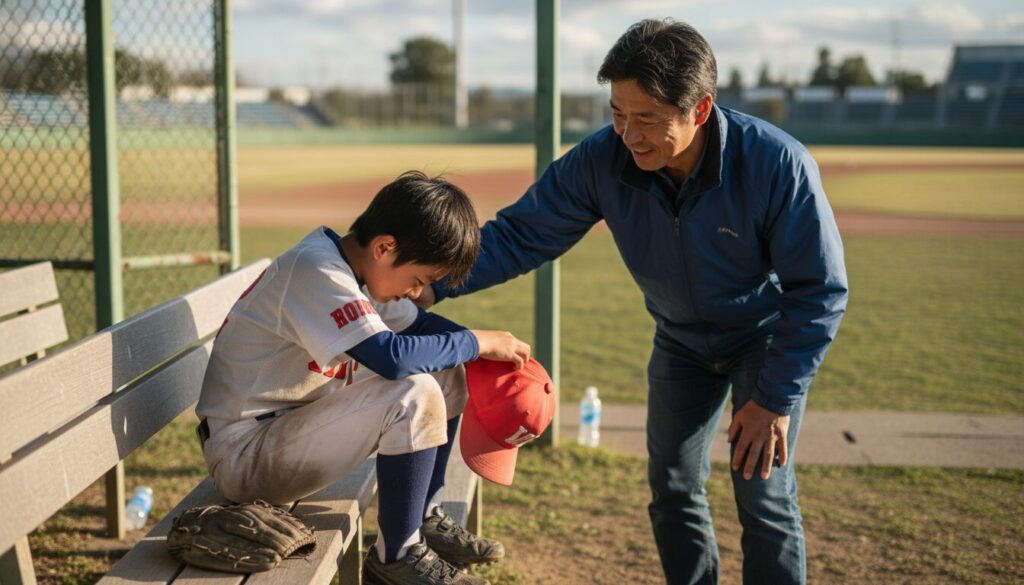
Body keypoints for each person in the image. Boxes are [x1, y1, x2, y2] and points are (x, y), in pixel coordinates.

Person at [417, 18, 849, 585]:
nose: (629, 133)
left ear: (699, 109)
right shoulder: (602, 160)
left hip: (763, 344)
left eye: (646, 118)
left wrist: (774, 398)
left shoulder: (776, 164)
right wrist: (430, 281)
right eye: (617, 114)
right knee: (671, 490)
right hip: (680, 341)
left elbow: (819, 289)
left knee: (763, 499)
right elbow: (520, 236)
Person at [195, 171, 534, 585]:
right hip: (245, 455)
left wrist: (494, 356)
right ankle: (397, 557)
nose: (415, 293)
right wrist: (476, 341)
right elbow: (391, 359)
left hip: (288, 436)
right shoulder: (317, 269)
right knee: (415, 389)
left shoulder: (361, 272)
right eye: (418, 280)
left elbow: (426, 334)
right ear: (385, 247)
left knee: (447, 371)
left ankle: (422, 518)